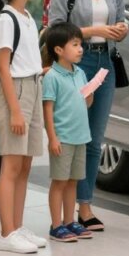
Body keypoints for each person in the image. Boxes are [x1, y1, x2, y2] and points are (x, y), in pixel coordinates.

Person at [46, 0, 128, 232]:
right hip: (74, 68)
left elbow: (118, 23)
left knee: (95, 140)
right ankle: (65, 214)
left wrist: (120, 30)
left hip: (104, 60)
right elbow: (54, 31)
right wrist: (92, 31)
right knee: (73, 138)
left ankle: (85, 206)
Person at [0, 0, 46, 254]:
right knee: (11, 166)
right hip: (16, 94)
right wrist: (16, 110)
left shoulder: (26, 17)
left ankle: (18, 226)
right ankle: (6, 233)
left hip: (32, 86)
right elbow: (3, 69)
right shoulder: (6, 20)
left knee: (25, 165)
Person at [42, 22, 95, 243]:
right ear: (58, 50)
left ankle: (69, 221)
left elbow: (87, 104)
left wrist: (90, 93)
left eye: (80, 44)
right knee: (59, 182)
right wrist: (52, 138)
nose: (80, 48)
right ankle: (56, 225)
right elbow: (48, 109)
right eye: (74, 44)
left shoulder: (80, 72)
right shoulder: (52, 77)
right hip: (63, 139)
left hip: (80, 137)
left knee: (73, 181)